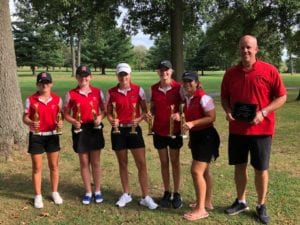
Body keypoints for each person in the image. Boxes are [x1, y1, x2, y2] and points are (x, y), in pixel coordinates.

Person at [221, 35, 287, 224]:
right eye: (242, 47)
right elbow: (225, 97)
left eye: (249, 47)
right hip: (237, 131)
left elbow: (281, 97)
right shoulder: (230, 73)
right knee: (239, 167)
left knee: (260, 169)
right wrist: (227, 111)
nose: (245, 51)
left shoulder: (269, 70)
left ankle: (261, 204)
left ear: (256, 49)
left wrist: (264, 112)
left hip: (262, 131)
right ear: (239, 49)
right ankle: (241, 201)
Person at [106, 63, 158, 209]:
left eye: (126, 74)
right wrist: (111, 120)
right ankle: (126, 194)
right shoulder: (111, 92)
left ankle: (145, 196)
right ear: (117, 76)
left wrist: (140, 118)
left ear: (130, 75)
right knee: (123, 163)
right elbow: (109, 112)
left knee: (141, 163)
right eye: (121, 74)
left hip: (134, 130)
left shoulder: (138, 90)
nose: (124, 77)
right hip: (118, 131)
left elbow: (144, 110)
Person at [176, 71, 220, 220]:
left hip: (207, 137)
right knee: (205, 171)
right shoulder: (188, 98)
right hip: (197, 136)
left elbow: (211, 117)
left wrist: (192, 123)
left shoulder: (204, 98)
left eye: (190, 81)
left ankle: (201, 209)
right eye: (185, 81)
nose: (187, 84)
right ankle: (206, 202)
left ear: (197, 82)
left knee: (196, 171)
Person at [63, 65, 105, 205]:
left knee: (96, 162)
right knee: (84, 162)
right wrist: (73, 121)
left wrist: (100, 117)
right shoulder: (71, 94)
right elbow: (65, 113)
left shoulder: (98, 92)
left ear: (90, 77)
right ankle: (88, 191)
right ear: (77, 77)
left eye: (86, 75)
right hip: (80, 129)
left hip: (94, 128)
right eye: (81, 76)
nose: (83, 78)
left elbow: (104, 110)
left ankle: (97, 190)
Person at [145, 60, 183, 208]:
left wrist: (180, 116)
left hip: (174, 131)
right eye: (161, 70)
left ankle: (177, 192)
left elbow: (183, 108)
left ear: (171, 71)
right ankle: (167, 192)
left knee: (175, 161)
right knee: (164, 162)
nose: (163, 72)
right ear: (158, 72)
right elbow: (153, 108)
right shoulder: (154, 88)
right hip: (159, 130)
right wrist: (150, 113)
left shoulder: (179, 88)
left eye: (166, 70)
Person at [23, 72, 63, 208]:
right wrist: (30, 123)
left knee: (54, 166)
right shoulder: (31, 99)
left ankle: (54, 192)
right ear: (37, 84)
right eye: (41, 82)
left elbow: (60, 117)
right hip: (36, 136)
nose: (44, 85)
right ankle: (38, 195)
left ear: (51, 84)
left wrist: (60, 123)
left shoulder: (58, 99)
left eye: (46, 82)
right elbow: (25, 117)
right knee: (37, 167)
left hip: (52, 136)